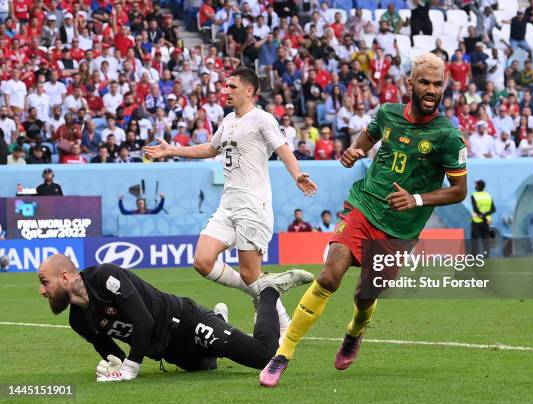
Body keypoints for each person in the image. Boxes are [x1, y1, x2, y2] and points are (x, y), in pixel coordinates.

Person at [260, 53, 467, 387]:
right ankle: (283, 353)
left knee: (365, 296)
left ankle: (354, 331)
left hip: (400, 228)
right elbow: (366, 139)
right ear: (410, 83)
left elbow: (458, 191)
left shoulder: (448, 136)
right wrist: (354, 150)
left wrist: (416, 199)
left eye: (438, 84)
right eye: (425, 82)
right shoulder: (387, 113)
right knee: (329, 276)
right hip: (363, 205)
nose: (432, 89)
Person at [144, 67, 317, 341]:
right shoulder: (227, 120)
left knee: (250, 274)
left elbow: (283, 149)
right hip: (228, 205)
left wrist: (297, 175)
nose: (226, 91)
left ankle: (284, 323)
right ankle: (269, 288)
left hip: (252, 206)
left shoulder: (262, 119)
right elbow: (211, 149)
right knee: (202, 261)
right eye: (226, 86)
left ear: (249, 90)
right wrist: (171, 150)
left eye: (232, 86)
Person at [37, 254, 314, 382]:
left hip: (186, 321)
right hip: (170, 351)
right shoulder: (78, 321)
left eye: (44, 282)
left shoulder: (104, 276)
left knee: (265, 358)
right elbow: (110, 352)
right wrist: (113, 366)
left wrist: (130, 369)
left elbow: (143, 322)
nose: (41, 291)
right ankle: (220, 319)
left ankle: (268, 291)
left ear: (64, 277)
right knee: (207, 367)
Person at [470, 180, 495, 257]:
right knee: (486, 240)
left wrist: (481, 215)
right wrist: (485, 216)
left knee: (475, 241)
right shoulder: (488, 195)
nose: (475, 186)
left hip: (476, 221)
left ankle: (474, 257)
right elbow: (493, 209)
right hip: (487, 222)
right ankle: (486, 256)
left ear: (478, 186)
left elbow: (475, 209)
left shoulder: (474, 195)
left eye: (476, 185)